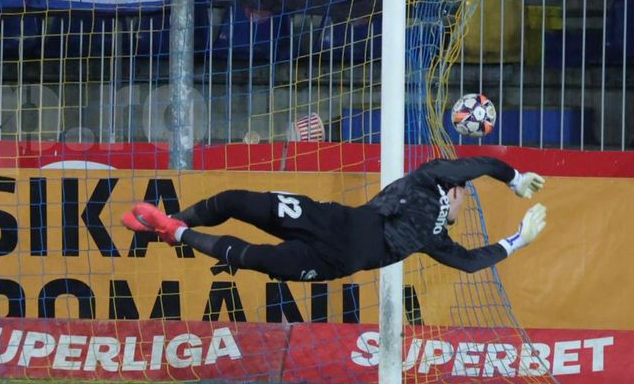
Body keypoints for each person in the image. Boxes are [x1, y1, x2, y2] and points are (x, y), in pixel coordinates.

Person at [121, 156, 548, 282]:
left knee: (257, 260)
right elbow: (477, 164)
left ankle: (175, 232)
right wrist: (512, 178)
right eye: (463, 193)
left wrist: (518, 241)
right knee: (237, 200)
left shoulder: (436, 241)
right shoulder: (430, 181)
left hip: (335, 262)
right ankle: (164, 221)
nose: (461, 198)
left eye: (464, 197)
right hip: (336, 222)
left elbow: (469, 261)